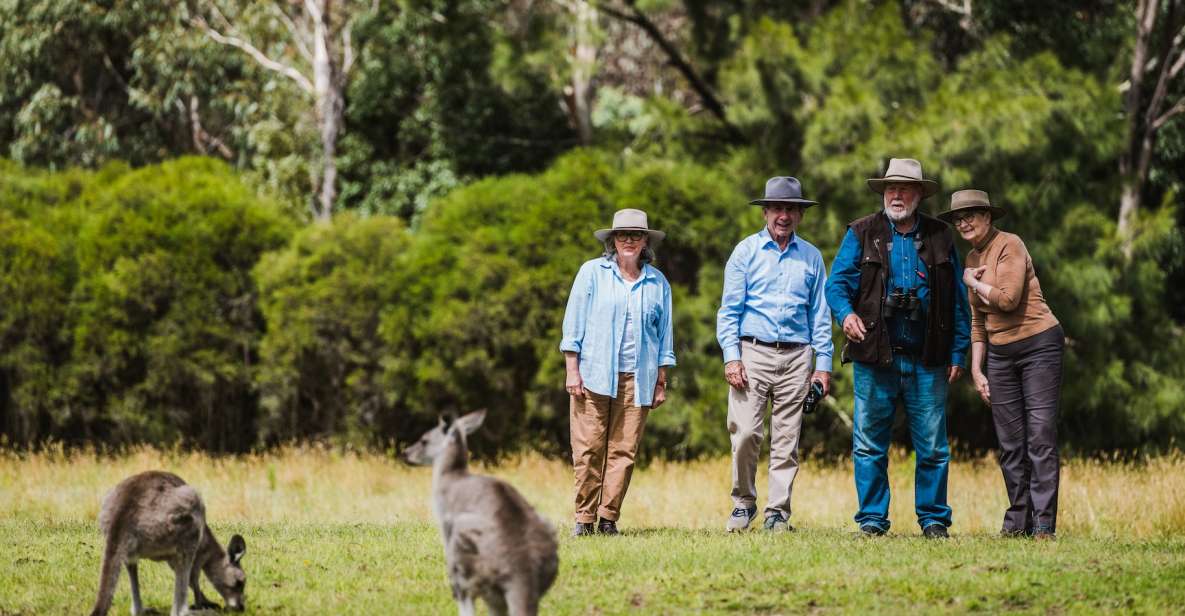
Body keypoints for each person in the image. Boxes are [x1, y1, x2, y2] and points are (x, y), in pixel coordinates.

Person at [825, 158, 971, 539]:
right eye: (891, 188)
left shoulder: (941, 236)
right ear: (883, 193)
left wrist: (959, 352)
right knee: (869, 444)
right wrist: (846, 315)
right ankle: (872, 519)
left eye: (905, 188)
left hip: (928, 356)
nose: (897, 194)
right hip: (875, 356)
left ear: (920, 194)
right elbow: (836, 285)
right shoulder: (861, 232)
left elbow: (958, 300)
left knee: (934, 446)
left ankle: (934, 519)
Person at [939, 189, 1064, 540]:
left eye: (971, 215)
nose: (963, 222)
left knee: (1039, 436)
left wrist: (972, 282)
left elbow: (1008, 300)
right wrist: (977, 369)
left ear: (988, 217)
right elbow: (979, 323)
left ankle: (1043, 524)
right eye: (958, 218)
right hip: (1000, 355)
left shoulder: (1010, 245)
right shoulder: (971, 260)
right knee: (1010, 442)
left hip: (1039, 344)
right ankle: (1018, 521)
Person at [717, 176, 833, 533]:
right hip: (753, 351)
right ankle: (743, 503)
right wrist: (731, 356)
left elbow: (820, 315)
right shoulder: (746, 251)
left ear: (800, 215)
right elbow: (729, 311)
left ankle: (777, 512)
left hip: (798, 355)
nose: (784, 215)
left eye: (791, 209)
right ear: (766, 211)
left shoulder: (812, 256)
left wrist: (823, 367)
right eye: (778, 208)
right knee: (747, 432)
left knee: (787, 437)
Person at [560, 208, 676, 537]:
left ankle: (609, 517)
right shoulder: (592, 273)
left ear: (645, 242)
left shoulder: (658, 283)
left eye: (635, 235)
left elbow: (664, 336)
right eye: (622, 235)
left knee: (624, 450)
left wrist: (660, 380)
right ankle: (584, 518)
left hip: (638, 377)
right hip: (594, 374)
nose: (628, 240)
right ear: (612, 240)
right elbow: (573, 323)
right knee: (588, 447)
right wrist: (572, 370)